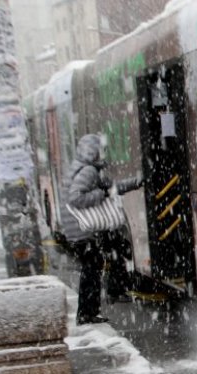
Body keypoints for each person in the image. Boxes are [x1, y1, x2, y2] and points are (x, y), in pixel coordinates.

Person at [60, 134, 142, 325]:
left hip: (75, 228)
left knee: (94, 265)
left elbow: (113, 187)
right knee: (92, 269)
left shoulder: (83, 167)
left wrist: (135, 182)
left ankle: (89, 310)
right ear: (93, 152)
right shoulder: (88, 171)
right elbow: (76, 197)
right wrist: (100, 194)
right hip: (82, 230)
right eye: (100, 150)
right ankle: (87, 313)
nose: (103, 153)